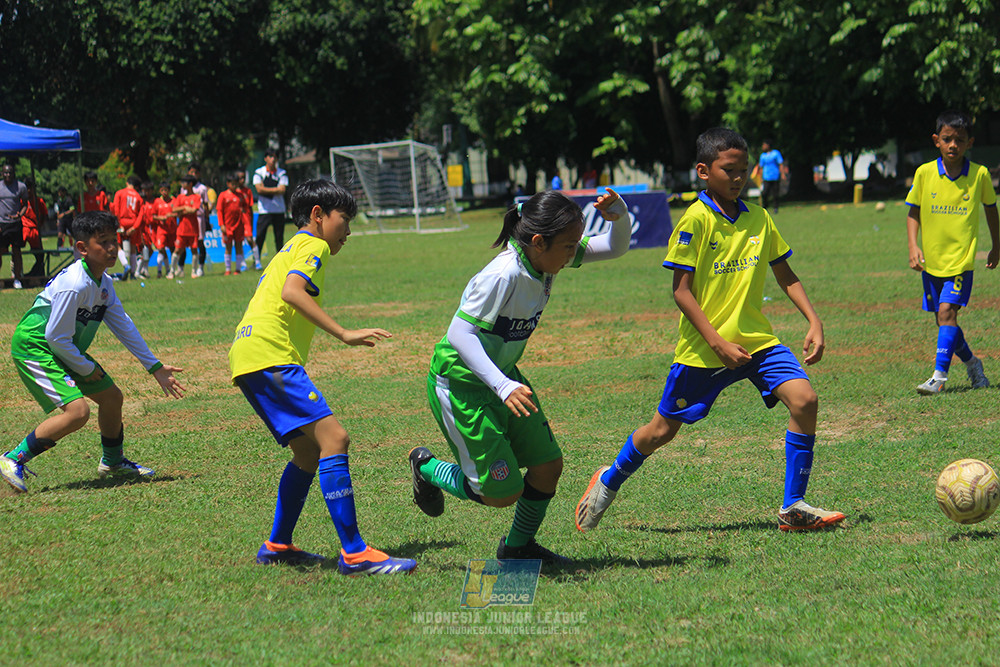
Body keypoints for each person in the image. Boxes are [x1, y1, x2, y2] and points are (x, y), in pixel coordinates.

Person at [575, 128, 845, 534]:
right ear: (704, 170)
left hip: (757, 342)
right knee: (661, 431)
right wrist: (717, 342)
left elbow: (785, 273)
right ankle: (609, 480)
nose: (738, 178)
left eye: (743, 170)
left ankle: (793, 506)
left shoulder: (760, 218)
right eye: (729, 170)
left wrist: (814, 320)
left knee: (805, 400)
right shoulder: (695, 220)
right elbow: (681, 292)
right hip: (704, 349)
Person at [408, 188, 631, 566]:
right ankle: (426, 468)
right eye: (568, 246)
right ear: (539, 241)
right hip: (462, 385)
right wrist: (502, 384)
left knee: (547, 467)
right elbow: (460, 334)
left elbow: (615, 247)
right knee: (501, 493)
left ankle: (517, 548)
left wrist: (621, 215)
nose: (573, 252)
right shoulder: (503, 274)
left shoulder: (544, 257)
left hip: (504, 380)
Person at [229, 178, 415, 575]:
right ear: (318, 215)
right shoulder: (312, 245)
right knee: (335, 439)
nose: (348, 231)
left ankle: (278, 545)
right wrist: (345, 333)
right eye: (344, 219)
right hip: (269, 355)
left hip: (247, 355)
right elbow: (293, 292)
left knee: (308, 451)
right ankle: (355, 552)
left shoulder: (291, 245)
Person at [0, 211, 185, 494]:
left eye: (114, 240)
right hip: (36, 347)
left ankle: (112, 462)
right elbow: (54, 337)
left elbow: (124, 326)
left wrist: (155, 367)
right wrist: (86, 368)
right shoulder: (75, 284)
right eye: (104, 242)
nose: (112, 247)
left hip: (63, 347)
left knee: (112, 398)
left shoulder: (104, 284)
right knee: (78, 412)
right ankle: (13, 459)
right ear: (82, 249)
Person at [905, 110, 999, 395]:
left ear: (970, 142)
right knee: (944, 320)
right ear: (936, 141)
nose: (953, 145)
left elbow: (991, 209)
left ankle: (938, 377)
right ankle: (973, 364)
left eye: (959, 140)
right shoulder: (924, 173)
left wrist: (997, 245)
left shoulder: (980, 175)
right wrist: (913, 244)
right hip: (932, 262)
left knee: (947, 312)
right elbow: (913, 211)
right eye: (947, 139)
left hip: (961, 262)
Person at [253, 150, 288, 260]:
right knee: (260, 236)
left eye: (275, 157)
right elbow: (258, 189)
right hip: (264, 210)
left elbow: (282, 189)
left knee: (279, 238)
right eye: (270, 156)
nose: (272, 159)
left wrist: (265, 189)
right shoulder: (259, 172)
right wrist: (275, 189)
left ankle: (280, 260)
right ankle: (256, 261)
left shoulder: (282, 172)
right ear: (265, 158)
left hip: (279, 210)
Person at [0, 163, 29, 289]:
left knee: (16, 251)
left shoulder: (21, 186)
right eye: (5, 172)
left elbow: (25, 204)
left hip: (15, 224)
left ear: (14, 173)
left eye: (10, 172)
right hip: (2, 224)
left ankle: (17, 279)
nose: (8, 175)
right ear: (2, 173)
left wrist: (19, 215)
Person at [169, 175, 203, 279]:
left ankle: (194, 271)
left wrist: (184, 210)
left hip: (193, 229)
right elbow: (174, 209)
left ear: (190, 184)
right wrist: (184, 207)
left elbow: (194, 210)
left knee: (194, 250)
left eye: (184, 182)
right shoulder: (180, 197)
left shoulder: (196, 197)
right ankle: (172, 271)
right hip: (182, 229)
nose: (182, 185)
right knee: (177, 250)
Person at [111, 175, 144, 280]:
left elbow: (116, 209)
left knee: (118, 244)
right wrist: (135, 227)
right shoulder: (139, 197)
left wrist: (119, 224)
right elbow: (141, 214)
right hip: (133, 222)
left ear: (127, 183)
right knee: (133, 248)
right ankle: (133, 274)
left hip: (122, 221)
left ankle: (126, 265)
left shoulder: (120, 193)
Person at [215, 173, 245, 275]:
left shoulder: (240, 195)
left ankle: (238, 269)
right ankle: (228, 269)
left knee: (239, 245)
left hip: (239, 225)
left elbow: (244, 209)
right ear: (228, 184)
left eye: (236, 183)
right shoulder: (223, 195)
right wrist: (221, 224)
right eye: (232, 183)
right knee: (228, 247)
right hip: (227, 226)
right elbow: (219, 211)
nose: (234, 186)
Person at [750, 139, 787, 213]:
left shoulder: (776, 153)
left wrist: (782, 174)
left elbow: (780, 164)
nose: (763, 146)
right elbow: (761, 167)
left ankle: (776, 208)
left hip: (775, 176)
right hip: (766, 177)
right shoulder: (763, 156)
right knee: (764, 193)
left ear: (768, 145)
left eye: (764, 145)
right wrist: (760, 177)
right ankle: (765, 207)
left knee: (775, 193)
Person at [21, 177, 47, 277]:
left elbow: (44, 214)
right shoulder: (21, 201)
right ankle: (16, 274)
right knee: (16, 251)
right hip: (24, 229)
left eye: (31, 188)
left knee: (40, 255)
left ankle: (36, 273)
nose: (29, 191)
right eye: (27, 188)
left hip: (34, 230)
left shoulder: (39, 201)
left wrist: (40, 225)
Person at [236, 169, 261, 270]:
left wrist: (250, 221)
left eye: (243, 178)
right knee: (239, 241)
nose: (242, 180)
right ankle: (242, 264)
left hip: (246, 219)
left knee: (250, 239)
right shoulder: (234, 192)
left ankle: (257, 262)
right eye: (240, 178)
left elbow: (250, 207)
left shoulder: (248, 191)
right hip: (237, 220)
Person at [151, 181, 177, 279]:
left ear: (169, 191)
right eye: (162, 190)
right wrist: (160, 218)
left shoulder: (173, 201)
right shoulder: (157, 202)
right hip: (161, 230)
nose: (164, 192)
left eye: (166, 190)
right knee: (161, 248)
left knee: (172, 249)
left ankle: (173, 269)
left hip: (172, 229)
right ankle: (164, 269)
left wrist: (171, 215)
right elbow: (153, 216)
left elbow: (178, 213)